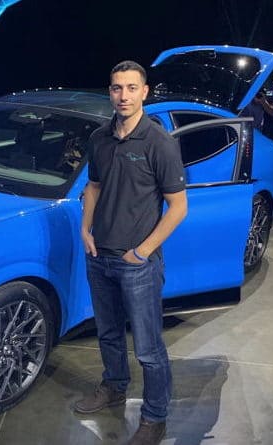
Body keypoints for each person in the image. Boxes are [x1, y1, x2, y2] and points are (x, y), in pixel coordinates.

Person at [74, 60, 187, 445]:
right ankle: (114, 386)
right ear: (110, 92)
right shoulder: (100, 138)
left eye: (131, 88)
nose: (123, 95)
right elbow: (93, 187)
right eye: (116, 88)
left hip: (136, 264)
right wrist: (85, 230)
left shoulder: (159, 142)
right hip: (99, 255)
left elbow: (178, 206)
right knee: (107, 334)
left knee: (149, 348)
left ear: (145, 92)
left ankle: (155, 416)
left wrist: (142, 251)